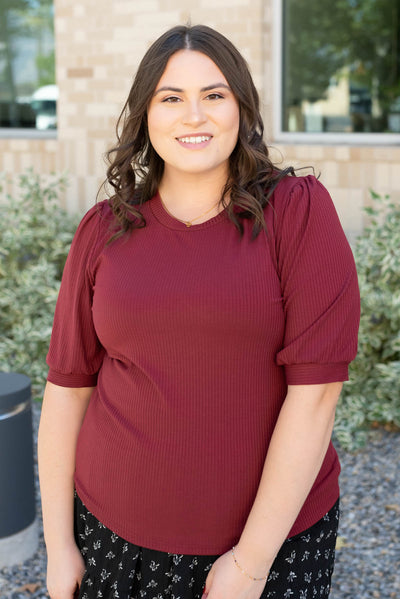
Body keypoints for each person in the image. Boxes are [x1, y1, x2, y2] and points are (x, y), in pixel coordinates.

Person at [38, 24, 360, 599]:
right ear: (144, 115)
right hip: (110, 537)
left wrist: (252, 563)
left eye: (214, 96)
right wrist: (59, 545)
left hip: (270, 546)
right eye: (171, 98)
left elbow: (315, 395)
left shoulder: (297, 212)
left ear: (241, 108)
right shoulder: (101, 231)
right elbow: (67, 389)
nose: (195, 116)